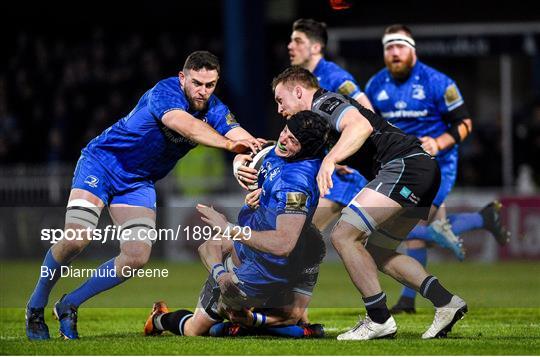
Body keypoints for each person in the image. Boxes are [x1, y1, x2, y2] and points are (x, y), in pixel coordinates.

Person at [25, 51, 265, 340]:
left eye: (210, 84)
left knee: (137, 256)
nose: (203, 91)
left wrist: (251, 153)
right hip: (101, 163)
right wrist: (229, 145)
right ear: (182, 78)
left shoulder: (214, 108)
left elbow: (240, 137)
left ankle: (69, 304)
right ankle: (36, 305)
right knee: (76, 238)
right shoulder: (165, 92)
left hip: (137, 182)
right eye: (197, 83)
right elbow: (184, 124)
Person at [272, 66, 468, 340]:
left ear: (298, 91)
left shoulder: (323, 102)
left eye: (281, 100)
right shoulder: (316, 123)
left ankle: (378, 319)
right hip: (420, 169)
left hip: (404, 166)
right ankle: (446, 302)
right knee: (378, 251)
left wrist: (331, 159)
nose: (280, 109)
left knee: (343, 235)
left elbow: (360, 126)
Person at [143, 111, 330, 338]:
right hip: (254, 260)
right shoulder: (280, 153)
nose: (283, 141)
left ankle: (236, 323)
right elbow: (252, 154)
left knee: (284, 315)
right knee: (195, 329)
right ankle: (159, 320)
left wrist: (229, 228)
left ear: (307, 148)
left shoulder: (295, 184)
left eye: (293, 140)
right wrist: (245, 175)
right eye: (284, 132)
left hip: (268, 261)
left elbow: (283, 244)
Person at [364, 24, 510, 313]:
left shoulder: (438, 82)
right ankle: (481, 219)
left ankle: (409, 298)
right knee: (416, 230)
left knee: (409, 226)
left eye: (400, 46)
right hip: (398, 166)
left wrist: (439, 142)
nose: (394, 53)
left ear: (412, 49)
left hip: (437, 165)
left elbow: (465, 123)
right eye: (388, 47)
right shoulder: (375, 85)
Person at [287, 18, 371, 230]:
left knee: (302, 232)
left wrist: (343, 154)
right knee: (373, 250)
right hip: (319, 168)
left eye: (297, 41)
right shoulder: (304, 81)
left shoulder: (334, 77)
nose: (290, 46)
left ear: (316, 47)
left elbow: (367, 113)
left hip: (342, 174)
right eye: (291, 41)